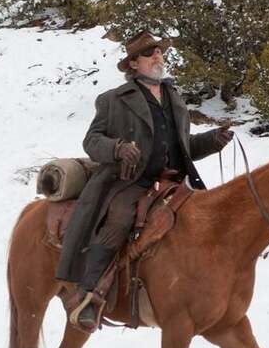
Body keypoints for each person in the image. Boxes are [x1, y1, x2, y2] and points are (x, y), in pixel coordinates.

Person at [57, 31, 234, 332]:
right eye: (149, 53)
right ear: (133, 65)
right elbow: (92, 141)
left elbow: (181, 145)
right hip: (131, 182)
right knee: (119, 221)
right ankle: (90, 295)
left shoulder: (173, 97)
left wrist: (212, 140)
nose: (157, 57)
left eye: (158, 52)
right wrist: (116, 149)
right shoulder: (113, 100)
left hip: (174, 182)